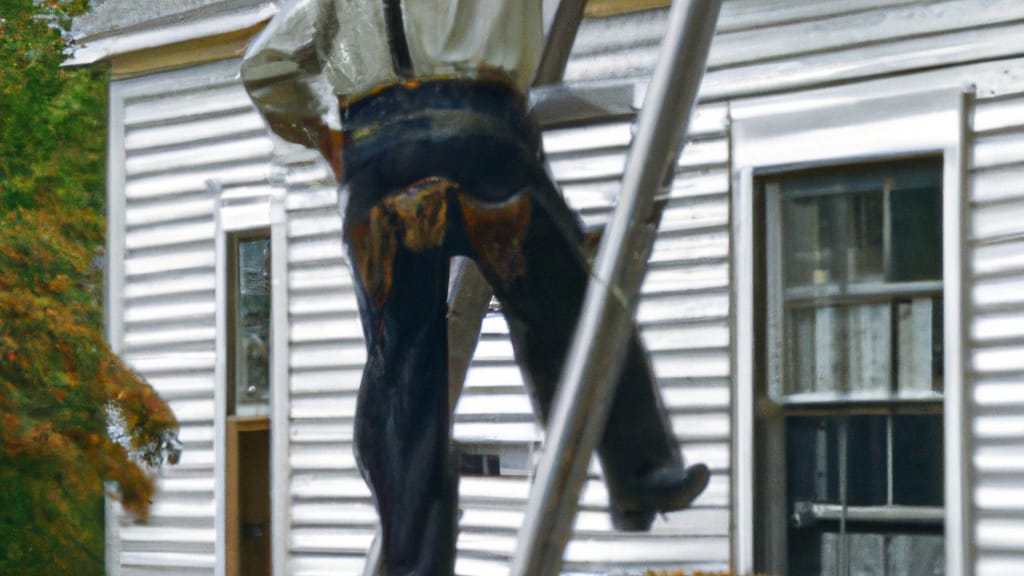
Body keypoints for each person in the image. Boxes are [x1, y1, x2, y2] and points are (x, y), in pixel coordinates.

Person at [241, 2, 709, 574]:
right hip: (486, 146)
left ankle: (416, 561)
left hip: (382, 161)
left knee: (403, 368)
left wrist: (323, 138)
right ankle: (641, 474)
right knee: (567, 307)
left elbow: (265, 66)